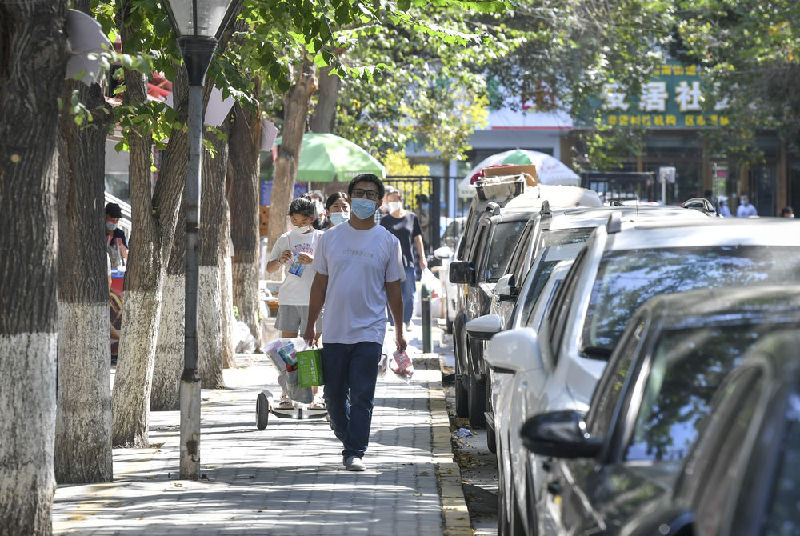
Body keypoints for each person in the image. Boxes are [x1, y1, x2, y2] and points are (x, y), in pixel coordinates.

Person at [303, 173, 406, 471]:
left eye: (371, 194)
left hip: (370, 331)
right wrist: (310, 325)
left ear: (379, 202)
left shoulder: (388, 242)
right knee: (334, 397)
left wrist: (398, 331)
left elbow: (394, 290)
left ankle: (354, 450)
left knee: (362, 394)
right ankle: (347, 435)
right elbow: (319, 284)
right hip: (335, 330)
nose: (365, 198)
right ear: (350, 198)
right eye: (359, 193)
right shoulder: (330, 238)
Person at [266, 197, 324, 408]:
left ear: (312, 219)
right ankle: (287, 394)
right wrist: (281, 260)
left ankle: (314, 395)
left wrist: (314, 261)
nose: (299, 225)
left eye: (303, 221)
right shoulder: (285, 239)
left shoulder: (322, 238)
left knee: (311, 347)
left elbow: (332, 267)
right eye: (295, 220)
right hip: (289, 299)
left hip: (314, 300)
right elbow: (270, 268)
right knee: (287, 348)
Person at [379, 189, 427, 331]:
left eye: (396, 199)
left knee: (408, 293)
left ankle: (407, 319)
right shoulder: (385, 220)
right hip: (389, 262)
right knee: (391, 293)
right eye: (390, 200)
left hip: (407, 261)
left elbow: (418, 239)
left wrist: (422, 257)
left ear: (401, 200)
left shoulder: (411, 217)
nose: (393, 202)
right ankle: (394, 322)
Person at [105, 202, 128, 266]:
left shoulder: (120, 234)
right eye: (112, 220)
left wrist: (121, 246)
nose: (114, 222)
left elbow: (125, 256)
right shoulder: (99, 232)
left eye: (117, 220)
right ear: (106, 216)